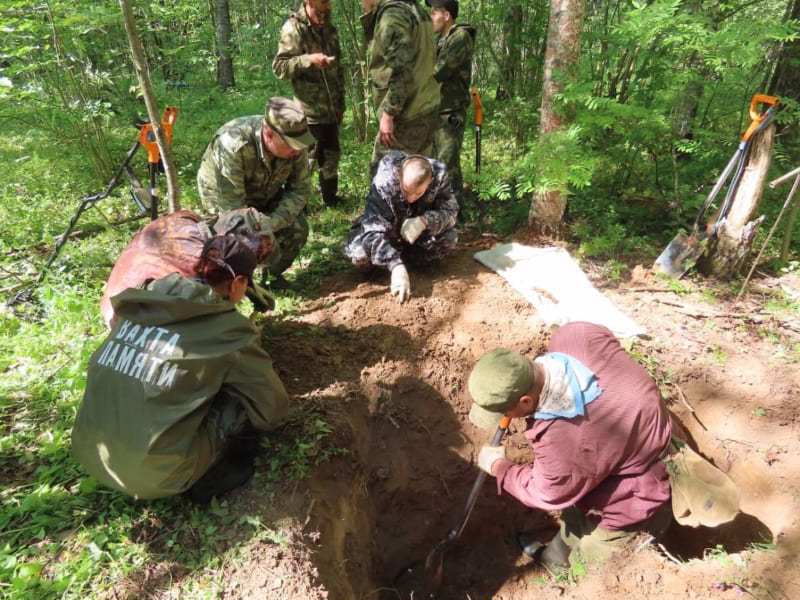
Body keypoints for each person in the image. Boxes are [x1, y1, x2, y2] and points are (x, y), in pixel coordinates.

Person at [468, 322, 741, 570]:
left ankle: (569, 575)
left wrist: (499, 467)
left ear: (526, 401)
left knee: (593, 561)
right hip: (628, 453)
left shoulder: (565, 441)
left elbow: (547, 493)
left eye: (506, 410)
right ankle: (552, 558)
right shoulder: (575, 337)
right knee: (575, 519)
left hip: (636, 496)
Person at [72, 234, 290, 504]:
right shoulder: (230, 329)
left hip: (90, 455)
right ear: (239, 283)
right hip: (156, 475)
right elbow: (273, 410)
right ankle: (207, 477)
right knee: (240, 401)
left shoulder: (143, 302)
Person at [197, 97, 314, 283]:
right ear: (268, 134)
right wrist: (258, 231)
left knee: (298, 228)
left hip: (265, 195)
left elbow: (300, 190)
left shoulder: (295, 144)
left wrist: (272, 223)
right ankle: (237, 280)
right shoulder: (233, 144)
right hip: (225, 201)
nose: (298, 151)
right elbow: (232, 212)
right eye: (292, 145)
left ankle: (267, 279)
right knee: (239, 241)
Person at [99, 208, 274, 328]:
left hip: (122, 302)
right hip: (130, 319)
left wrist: (250, 288)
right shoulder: (198, 267)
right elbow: (219, 308)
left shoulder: (184, 221)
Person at [344, 151, 458, 303]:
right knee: (359, 254)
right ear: (399, 174)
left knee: (449, 239)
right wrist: (395, 265)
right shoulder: (386, 179)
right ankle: (392, 265)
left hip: (416, 235)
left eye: (418, 193)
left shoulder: (439, 175)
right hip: (388, 231)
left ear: (430, 181)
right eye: (406, 190)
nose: (410, 198)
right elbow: (372, 229)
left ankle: (411, 261)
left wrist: (425, 221)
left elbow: (451, 212)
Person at [273, 0, 347, 207]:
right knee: (305, 161)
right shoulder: (293, 28)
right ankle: (298, 205)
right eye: (323, 2)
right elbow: (280, 67)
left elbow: (339, 69)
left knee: (331, 155)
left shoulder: (329, 28)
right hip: (308, 110)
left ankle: (331, 199)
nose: (328, 6)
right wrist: (308, 60)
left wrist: (341, 104)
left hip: (331, 108)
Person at [361, 0, 441, 173]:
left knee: (384, 177)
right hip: (426, 104)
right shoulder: (417, 11)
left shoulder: (393, 16)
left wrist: (389, 113)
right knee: (421, 175)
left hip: (407, 114)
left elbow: (402, 70)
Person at [428, 0, 475, 198]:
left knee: (445, 165)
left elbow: (439, 72)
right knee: (441, 164)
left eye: (433, 12)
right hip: (438, 110)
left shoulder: (460, 37)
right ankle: (452, 211)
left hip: (451, 112)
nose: (430, 17)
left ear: (446, 15)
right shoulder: (440, 39)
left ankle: (451, 214)